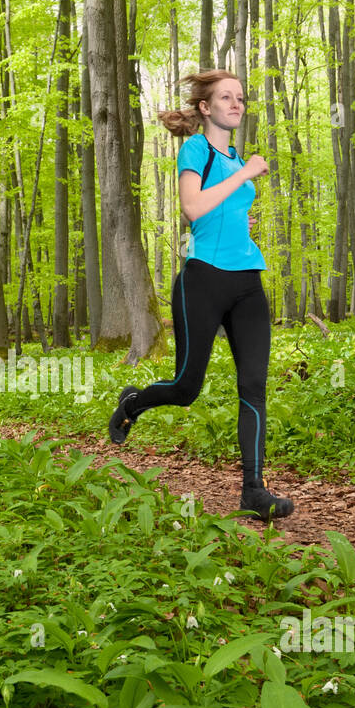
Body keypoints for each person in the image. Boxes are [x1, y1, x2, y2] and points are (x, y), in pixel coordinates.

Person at [107, 69, 294, 521]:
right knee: (187, 388)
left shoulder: (232, 159)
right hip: (202, 280)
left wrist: (240, 220)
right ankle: (133, 403)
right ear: (206, 108)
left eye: (241, 98)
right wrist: (247, 173)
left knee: (254, 385)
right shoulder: (197, 150)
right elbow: (191, 206)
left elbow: (216, 211)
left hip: (247, 279)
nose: (237, 104)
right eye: (226, 98)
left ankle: (254, 490)